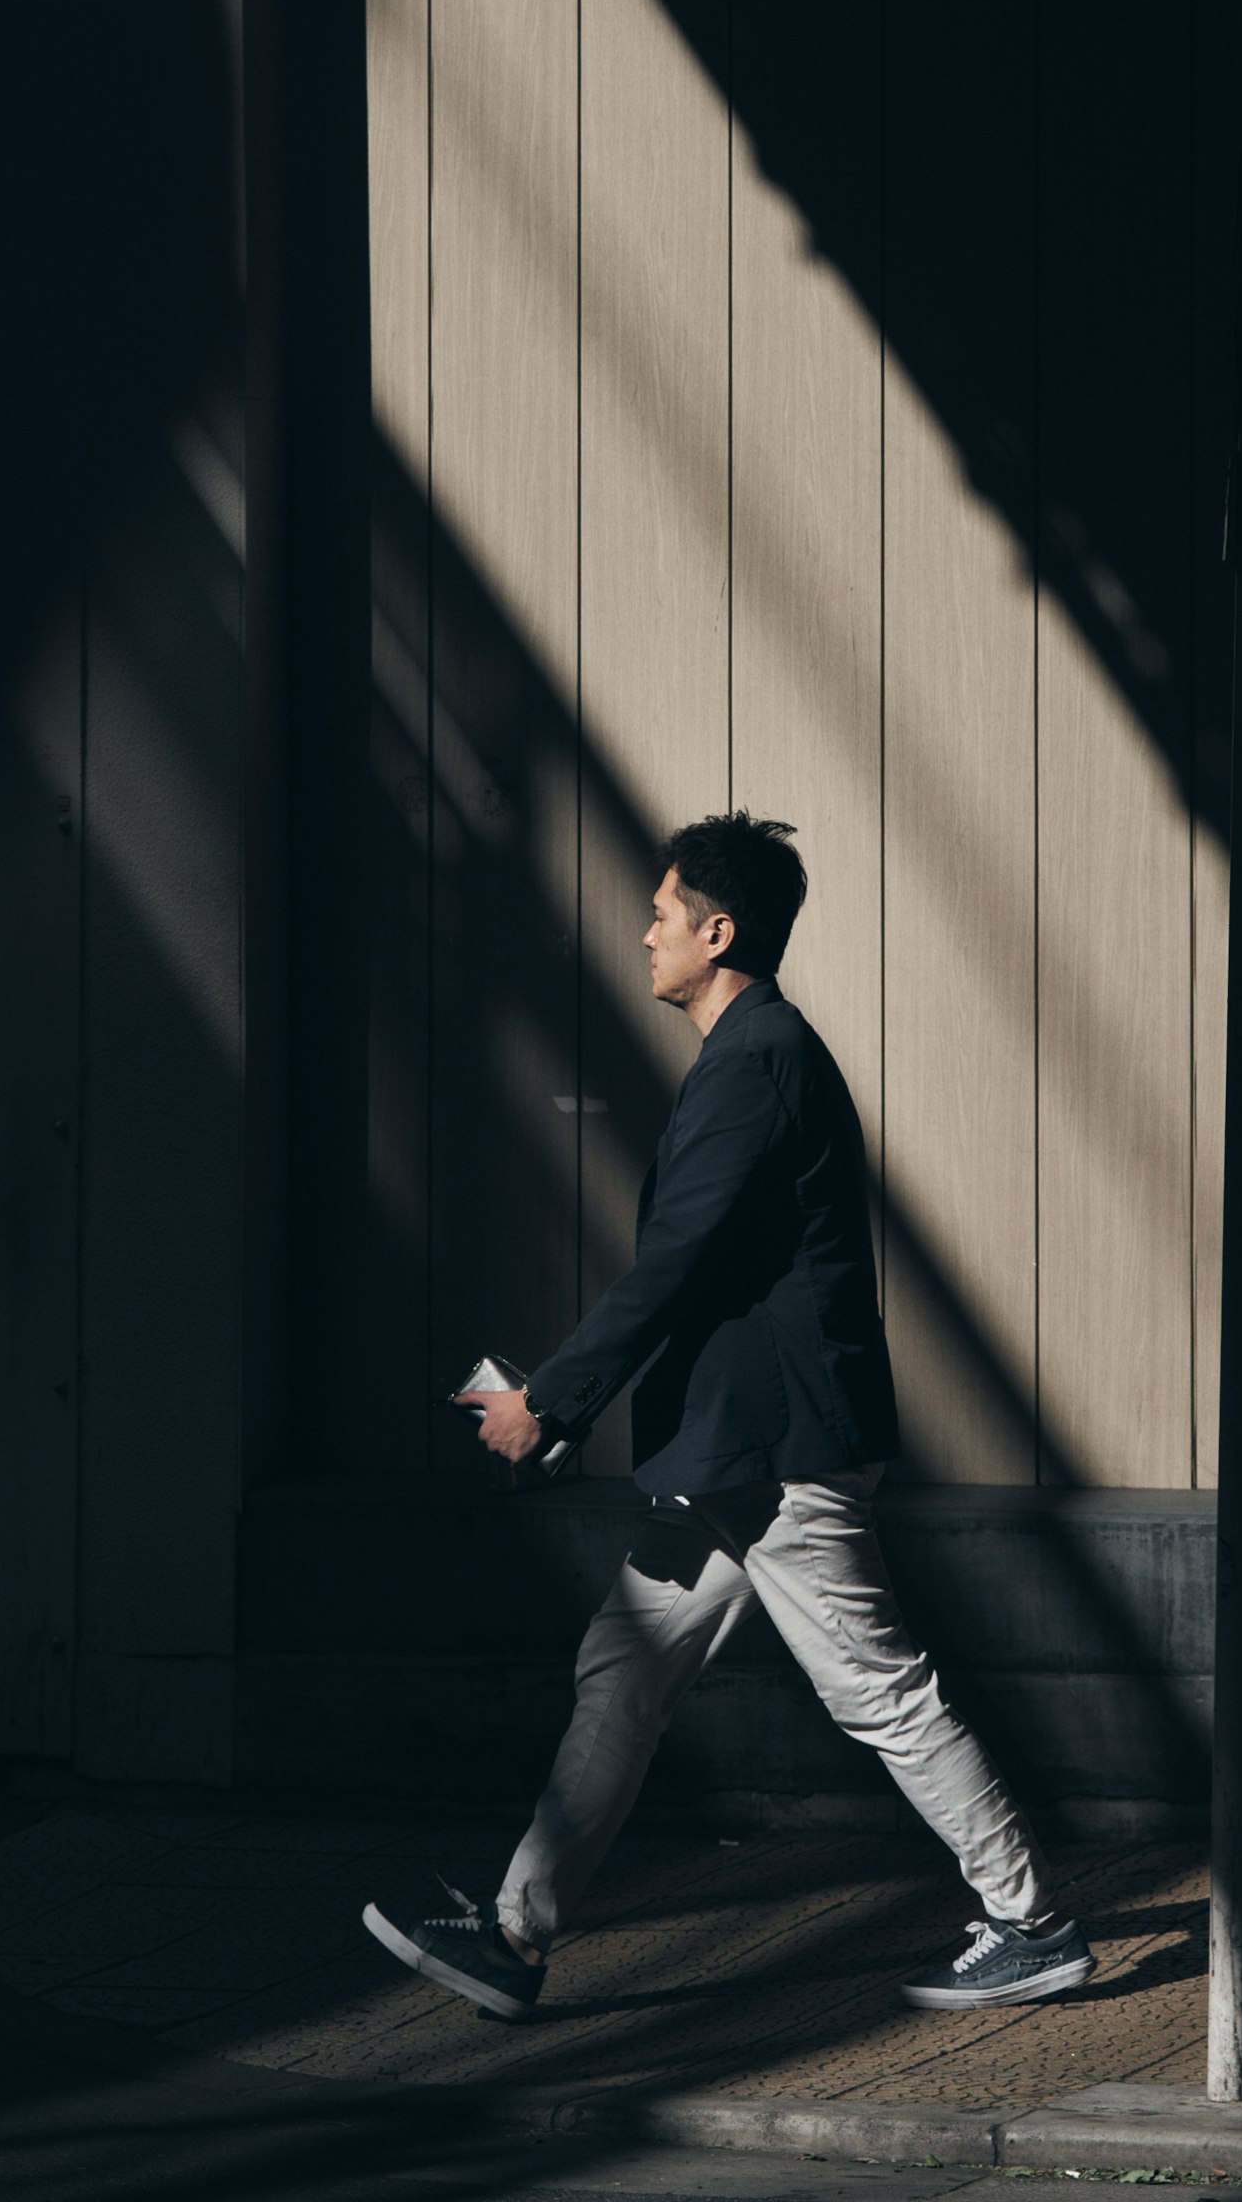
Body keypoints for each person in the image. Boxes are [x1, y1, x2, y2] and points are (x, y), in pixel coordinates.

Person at [362, 812, 1092, 2022]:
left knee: (880, 1691)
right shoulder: (755, 1055)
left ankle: (1032, 1920)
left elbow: (676, 1262)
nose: (644, 931)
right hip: (736, 1458)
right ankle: (511, 1936)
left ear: (719, 929)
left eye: (662, 913)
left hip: (776, 1458)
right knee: (622, 1671)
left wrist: (546, 1402)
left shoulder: (754, 1062)